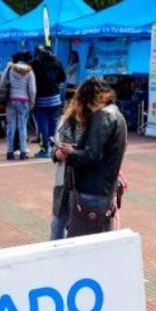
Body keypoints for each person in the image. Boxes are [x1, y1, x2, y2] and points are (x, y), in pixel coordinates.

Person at [54, 77, 127, 236]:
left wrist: (71, 154)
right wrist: (77, 150)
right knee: (98, 239)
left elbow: (91, 155)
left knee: (81, 243)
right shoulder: (116, 114)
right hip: (104, 190)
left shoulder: (101, 116)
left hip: (92, 190)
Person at [50, 93, 86, 240]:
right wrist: (58, 153)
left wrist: (75, 152)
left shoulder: (96, 124)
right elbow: (54, 149)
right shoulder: (64, 122)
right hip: (64, 183)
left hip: (83, 184)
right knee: (57, 226)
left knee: (77, 230)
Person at [31, 46, 67, 158]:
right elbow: (63, 77)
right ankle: (54, 146)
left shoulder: (35, 64)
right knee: (54, 123)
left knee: (43, 125)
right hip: (55, 97)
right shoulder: (57, 62)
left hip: (41, 98)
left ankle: (45, 149)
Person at [0, 52, 36, 161]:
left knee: (11, 126)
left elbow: (1, 83)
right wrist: (32, 102)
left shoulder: (10, 69)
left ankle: (9, 151)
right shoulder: (29, 71)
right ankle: (23, 151)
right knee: (22, 126)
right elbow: (32, 90)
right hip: (23, 100)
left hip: (11, 99)